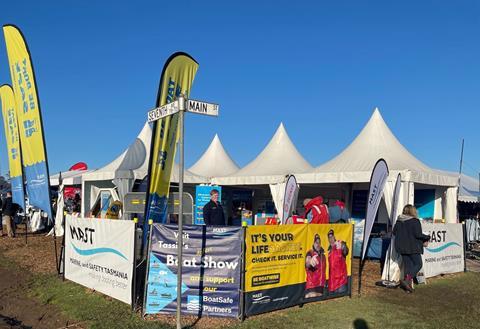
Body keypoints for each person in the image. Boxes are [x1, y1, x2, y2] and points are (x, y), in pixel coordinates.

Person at [393, 204, 430, 293]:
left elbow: (394, 232)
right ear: (412, 211)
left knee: (408, 267)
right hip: (413, 247)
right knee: (418, 264)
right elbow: (418, 235)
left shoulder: (399, 221)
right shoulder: (415, 221)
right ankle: (407, 280)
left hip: (402, 247)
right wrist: (427, 237)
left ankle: (407, 288)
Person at [327, 229, 349, 294]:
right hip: (332, 281)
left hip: (341, 281)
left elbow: (346, 252)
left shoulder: (340, 244)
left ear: (334, 237)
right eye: (329, 237)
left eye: (332, 236)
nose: (331, 238)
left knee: (340, 295)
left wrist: (342, 247)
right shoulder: (328, 250)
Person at [305, 234, 326, 298]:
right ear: (313, 243)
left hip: (321, 286)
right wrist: (310, 262)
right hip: (312, 286)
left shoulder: (323, 256)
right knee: (312, 297)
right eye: (316, 242)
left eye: (319, 242)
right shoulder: (310, 253)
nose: (318, 244)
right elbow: (307, 263)